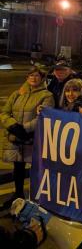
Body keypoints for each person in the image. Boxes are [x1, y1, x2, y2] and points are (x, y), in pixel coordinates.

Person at [0, 66, 54, 208]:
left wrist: (25, 128)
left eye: (37, 76)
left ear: (42, 78)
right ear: (27, 77)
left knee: (36, 169)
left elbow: (43, 116)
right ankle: (17, 194)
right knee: (17, 167)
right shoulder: (18, 93)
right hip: (15, 137)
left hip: (32, 138)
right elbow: (4, 112)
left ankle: (36, 200)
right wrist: (12, 126)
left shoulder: (46, 95)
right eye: (31, 75)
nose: (33, 78)